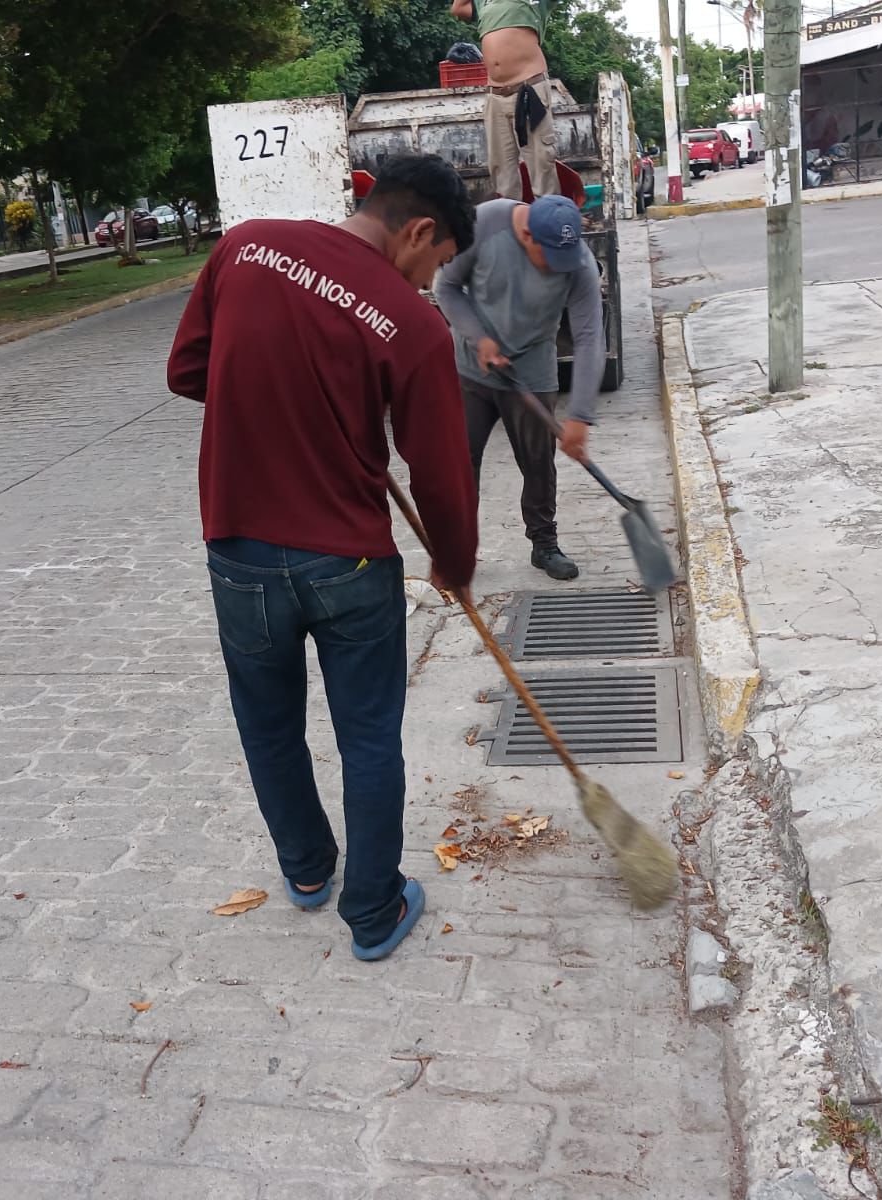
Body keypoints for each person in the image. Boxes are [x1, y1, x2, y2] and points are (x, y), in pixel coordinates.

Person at [165, 156, 479, 962]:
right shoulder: (413, 326)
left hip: (238, 550)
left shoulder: (245, 246)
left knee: (266, 724)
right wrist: (454, 562)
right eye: (438, 262)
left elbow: (188, 371)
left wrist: (277, 400)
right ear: (419, 231)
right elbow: (441, 472)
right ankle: (372, 909)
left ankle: (307, 870)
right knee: (368, 737)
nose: (431, 281)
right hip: (350, 565)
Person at [435, 193, 604, 582]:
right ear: (527, 235)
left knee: (538, 463)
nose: (557, 269)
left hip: (532, 370)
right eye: (550, 258)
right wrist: (478, 338)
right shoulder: (484, 224)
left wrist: (580, 415)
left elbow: (590, 338)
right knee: (460, 462)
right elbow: (447, 288)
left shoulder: (577, 263)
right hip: (471, 369)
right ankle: (458, 550)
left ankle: (544, 544)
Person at [449, 0, 556, 201]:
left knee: (541, 162)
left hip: (529, 89)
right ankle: (509, 216)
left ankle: (548, 215)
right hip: (495, 94)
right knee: (501, 169)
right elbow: (458, 8)